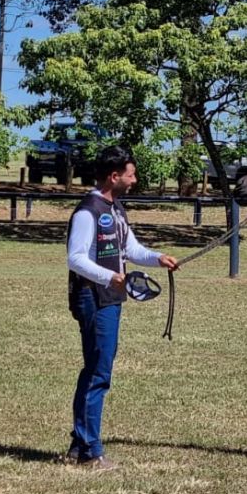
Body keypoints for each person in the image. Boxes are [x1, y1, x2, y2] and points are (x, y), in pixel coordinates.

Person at [64, 145, 178, 470]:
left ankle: (79, 443)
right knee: (99, 371)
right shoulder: (87, 211)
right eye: (131, 174)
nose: (135, 179)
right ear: (114, 176)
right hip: (94, 298)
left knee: (97, 368)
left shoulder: (115, 209)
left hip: (111, 297)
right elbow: (76, 258)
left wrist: (158, 259)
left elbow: (131, 249)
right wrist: (109, 276)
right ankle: (89, 450)